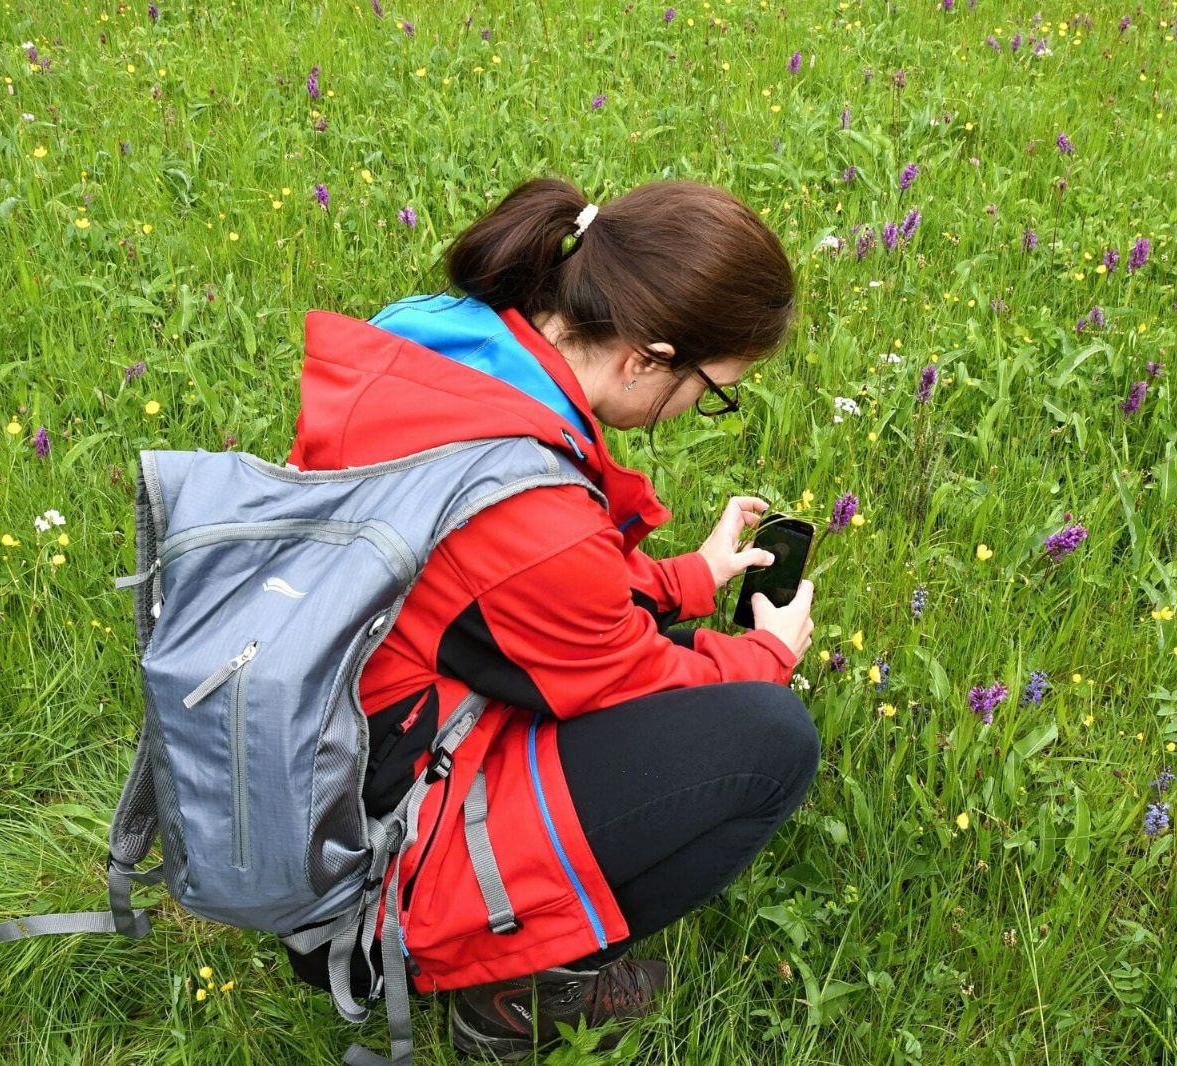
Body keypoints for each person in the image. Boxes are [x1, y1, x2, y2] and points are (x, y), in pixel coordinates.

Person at [279, 176, 819, 1059]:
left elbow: (512, 594)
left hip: (327, 762)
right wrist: (765, 651)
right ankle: (517, 995)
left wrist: (692, 578)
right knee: (768, 741)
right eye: (710, 390)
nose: (694, 413)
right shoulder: (533, 519)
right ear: (646, 357)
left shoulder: (447, 343)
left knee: (694, 665)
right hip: (373, 866)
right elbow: (620, 667)